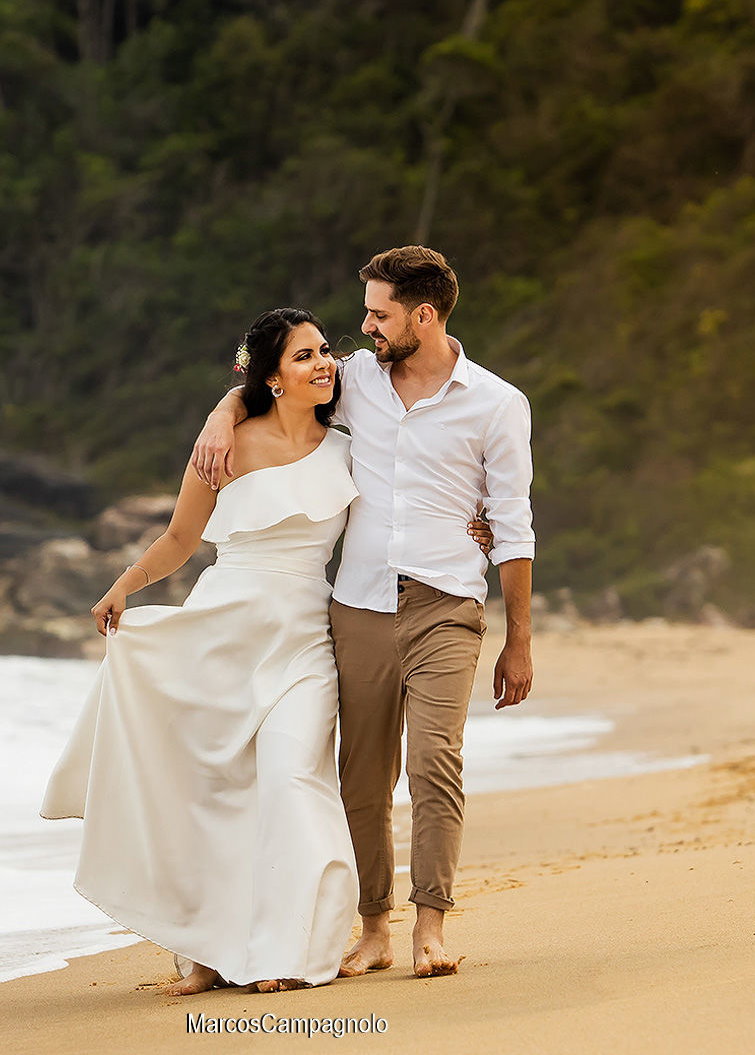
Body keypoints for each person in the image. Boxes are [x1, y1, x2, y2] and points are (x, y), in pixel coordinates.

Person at [41, 307, 496, 995]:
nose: (325, 364)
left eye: (324, 352)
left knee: (291, 781)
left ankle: (290, 949)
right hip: (222, 630)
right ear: (273, 379)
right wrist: (123, 587)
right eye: (304, 356)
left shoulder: (350, 440)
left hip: (307, 640)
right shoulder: (223, 448)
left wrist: (477, 519)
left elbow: (417, 477)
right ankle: (206, 952)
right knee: (213, 792)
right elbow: (178, 540)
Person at [191, 245, 535, 979]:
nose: (365, 327)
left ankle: (431, 928)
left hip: (447, 603)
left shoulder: (498, 403)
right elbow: (268, 381)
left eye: (378, 314)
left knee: (434, 761)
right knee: (362, 775)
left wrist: (520, 641)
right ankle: (375, 927)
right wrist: (222, 415)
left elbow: (512, 522)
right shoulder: (355, 383)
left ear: (423, 315)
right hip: (358, 607)